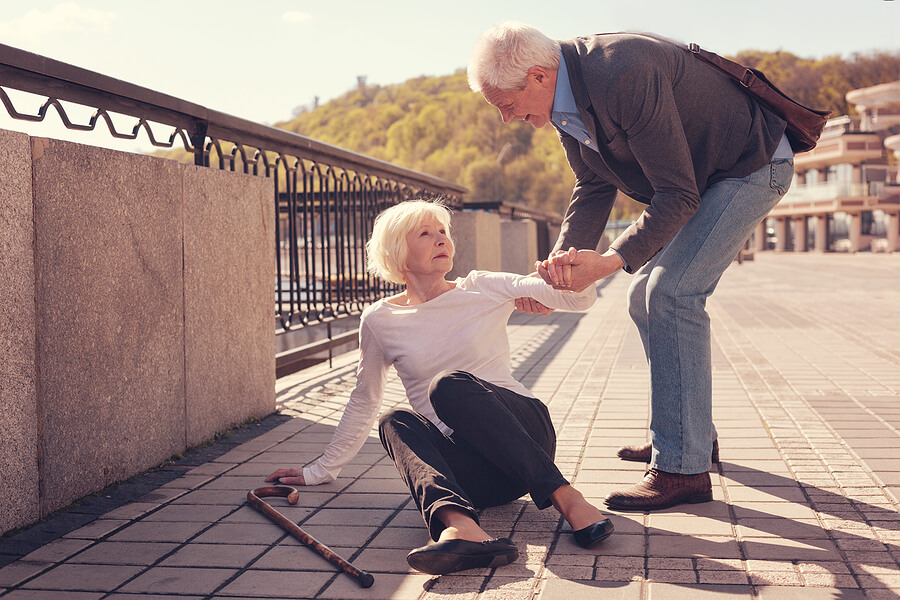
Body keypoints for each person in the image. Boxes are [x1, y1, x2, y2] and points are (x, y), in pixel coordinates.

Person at [468, 23, 794, 511]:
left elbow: (677, 194)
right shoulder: (563, 97)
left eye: (505, 104)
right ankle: (688, 434)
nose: (506, 118)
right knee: (643, 296)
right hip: (706, 176)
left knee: (670, 293)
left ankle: (683, 470)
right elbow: (593, 185)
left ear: (537, 77)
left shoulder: (623, 73)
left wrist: (604, 263)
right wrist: (554, 275)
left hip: (751, 165)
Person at [265, 200, 613, 576]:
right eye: (425, 234)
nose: (441, 240)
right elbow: (364, 397)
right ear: (398, 251)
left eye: (443, 232)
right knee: (393, 419)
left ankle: (567, 498)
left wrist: (569, 273)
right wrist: (320, 470)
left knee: (447, 386)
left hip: (526, 436)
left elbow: (576, 299)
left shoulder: (482, 286)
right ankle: (460, 526)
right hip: (482, 478)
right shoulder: (380, 319)